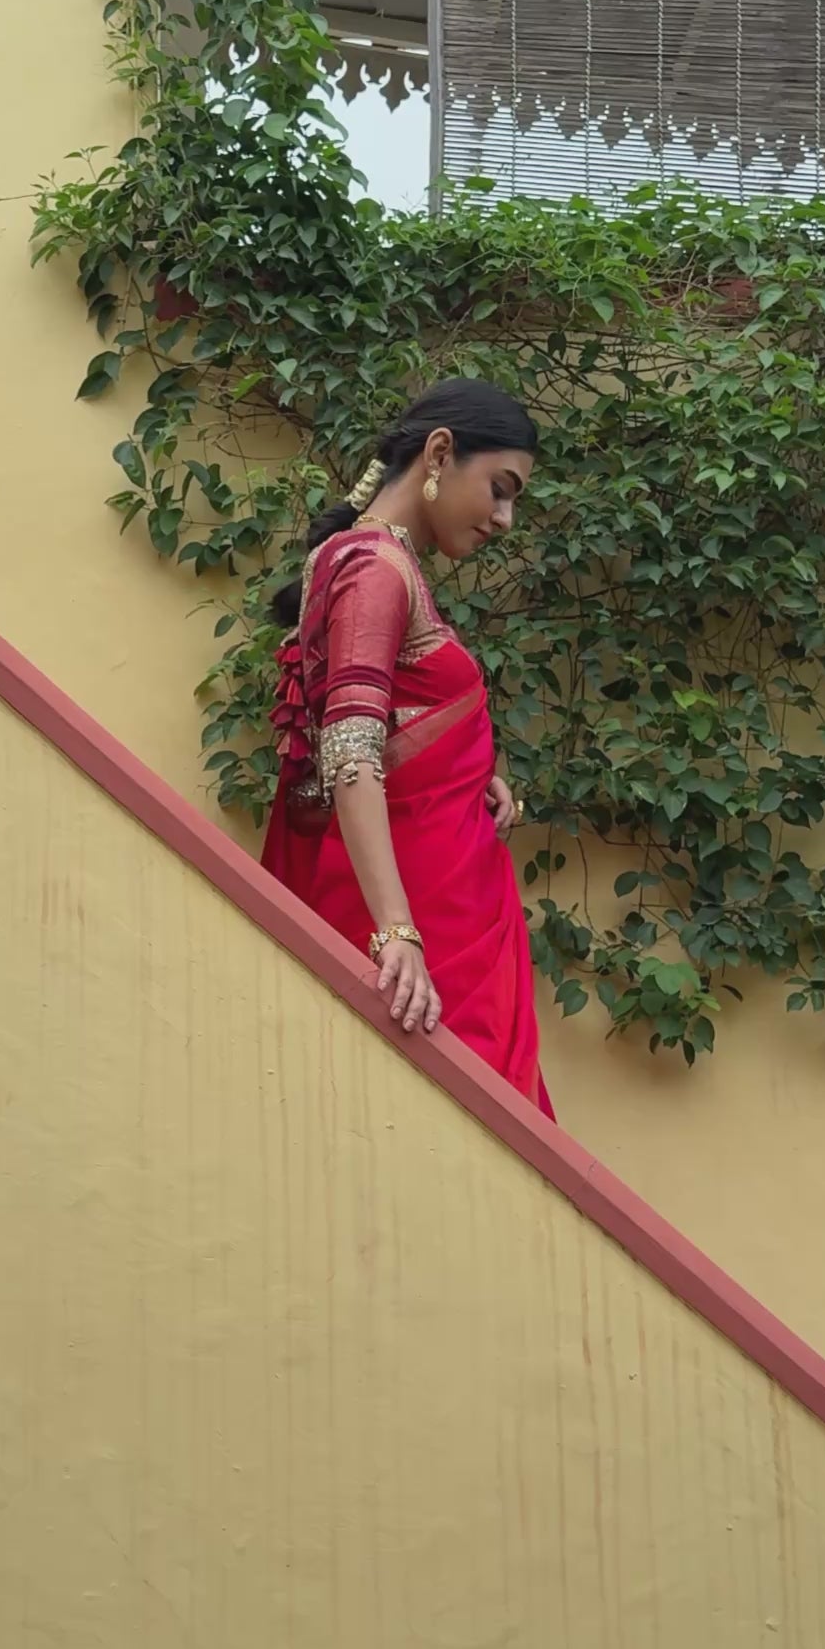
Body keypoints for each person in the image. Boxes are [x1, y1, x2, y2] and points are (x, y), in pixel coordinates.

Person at [261, 378, 554, 1119]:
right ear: (440, 451)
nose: (505, 517)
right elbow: (352, 753)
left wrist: (470, 770)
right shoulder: (374, 568)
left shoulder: (374, 562)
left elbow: (396, 730)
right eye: (500, 488)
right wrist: (397, 937)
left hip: (447, 899)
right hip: (424, 926)